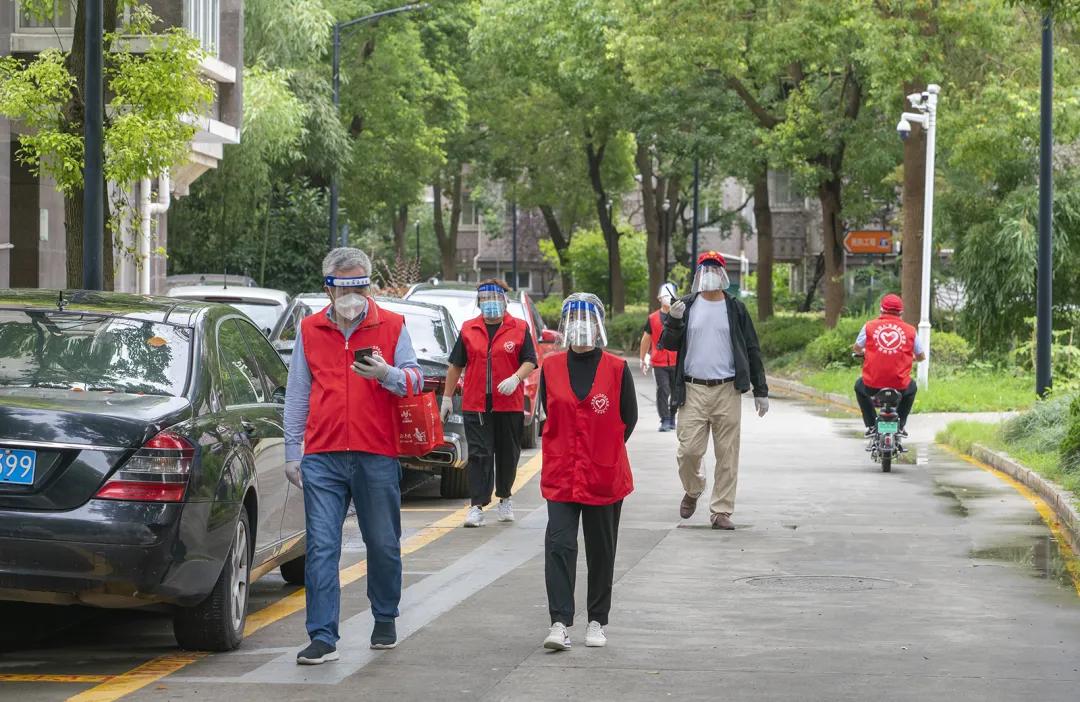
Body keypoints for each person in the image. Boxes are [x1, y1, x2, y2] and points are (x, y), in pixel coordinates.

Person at [284, 247, 424, 665]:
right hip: (323, 455)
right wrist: (293, 451)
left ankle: (385, 616)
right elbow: (297, 394)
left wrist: (386, 374)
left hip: (375, 452)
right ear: (328, 288)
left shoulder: (392, 325)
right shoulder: (310, 329)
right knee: (321, 548)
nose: (352, 296)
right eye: (344, 287)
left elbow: (416, 379)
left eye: (360, 286)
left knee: (382, 543)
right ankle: (322, 635)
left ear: (369, 286)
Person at [539, 293, 636, 651]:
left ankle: (597, 620)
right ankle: (559, 622)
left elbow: (628, 419)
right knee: (560, 545)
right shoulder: (550, 367)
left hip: (603, 474)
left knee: (601, 549)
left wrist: (602, 449)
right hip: (562, 473)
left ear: (598, 325)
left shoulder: (617, 368)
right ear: (565, 325)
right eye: (574, 319)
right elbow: (548, 413)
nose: (580, 326)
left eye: (587, 318)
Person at [659, 251, 768, 530]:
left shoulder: (735, 308)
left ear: (723, 274)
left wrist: (761, 389)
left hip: (727, 389)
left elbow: (752, 348)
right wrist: (674, 320)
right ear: (698, 275)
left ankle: (721, 510)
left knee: (727, 454)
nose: (710, 274)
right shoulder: (686, 305)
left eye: (715, 269)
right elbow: (667, 344)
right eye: (705, 269)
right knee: (688, 451)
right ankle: (694, 488)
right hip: (692, 389)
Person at [442, 279, 537, 528]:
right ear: (479, 303)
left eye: (495, 299)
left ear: (504, 302)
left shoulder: (519, 328)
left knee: (508, 454)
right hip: (476, 405)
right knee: (479, 455)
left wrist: (516, 378)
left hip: (509, 404)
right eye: (485, 300)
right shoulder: (469, 329)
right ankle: (477, 506)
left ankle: (504, 497)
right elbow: (455, 365)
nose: (490, 304)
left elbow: (530, 360)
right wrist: (447, 398)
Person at [853, 293, 926, 440]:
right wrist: (911, 357)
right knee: (912, 388)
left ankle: (871, 425)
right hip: (900, 385)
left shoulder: (869, 326)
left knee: (859, 387)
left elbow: (857, 348)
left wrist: (864, 353)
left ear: (881, 310)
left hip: (872, 384)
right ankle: (900, 425)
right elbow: (921, 356)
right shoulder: (910, 330)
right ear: (901, 312)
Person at [639, 282, 680, 432]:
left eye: (670, 296)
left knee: (676, 391)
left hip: (676, 360)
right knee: (663, 390)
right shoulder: (652, 318)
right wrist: (643, 358)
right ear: (659, 298)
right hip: (659, 361)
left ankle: (672, 416)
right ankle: (665, 419)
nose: (667, 298)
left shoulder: (680, 316)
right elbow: (646, 339)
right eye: (665, 296)